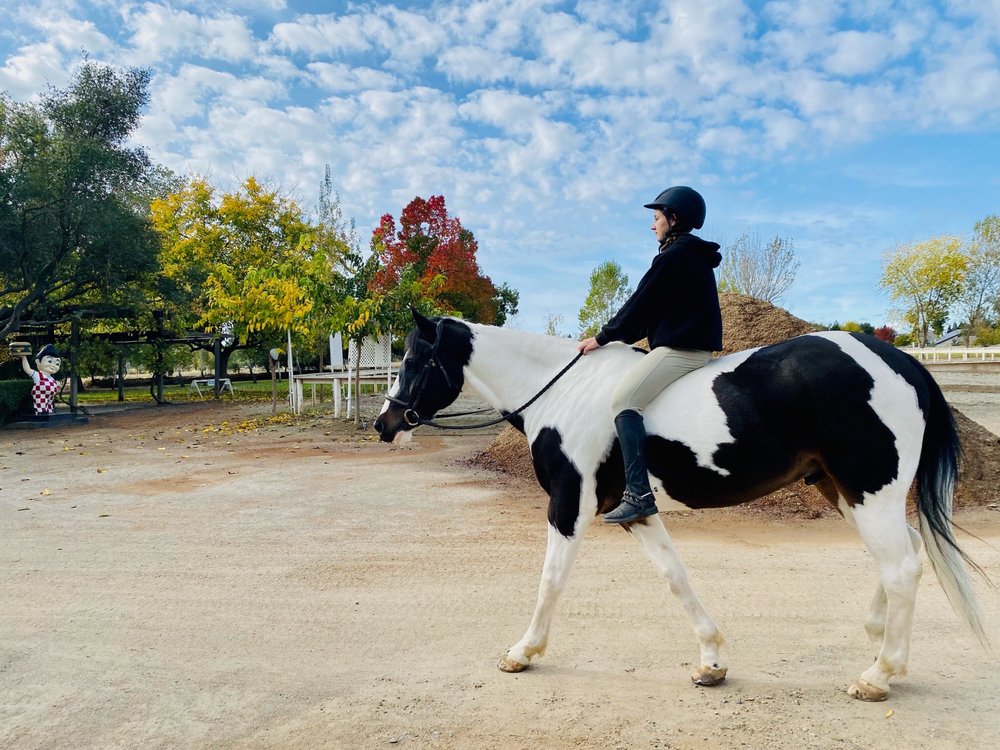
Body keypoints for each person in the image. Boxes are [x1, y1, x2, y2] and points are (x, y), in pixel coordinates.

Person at [577, 186, 723, 523]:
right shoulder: (688, 255)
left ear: (674, 218)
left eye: (656, 218)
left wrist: (602, 337)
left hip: (683, 351)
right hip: (685, 344)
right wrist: (617, 337)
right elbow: (653, 313)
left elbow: (639, 305)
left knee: (623, 400)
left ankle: (639, 494)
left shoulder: (674, 257)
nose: (652, 225)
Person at [20, 344, 63, 416]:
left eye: (57, 363)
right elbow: (27, 369)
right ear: (38, 362)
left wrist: (57, 387)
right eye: (49, 361)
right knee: (41, 404)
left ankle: (49, 410)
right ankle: (40, 412)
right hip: (40, 395)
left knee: (49, 404)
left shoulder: (51, 379)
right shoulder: (37, 375)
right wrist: (24, 357)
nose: (53, 365)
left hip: (50, 397)